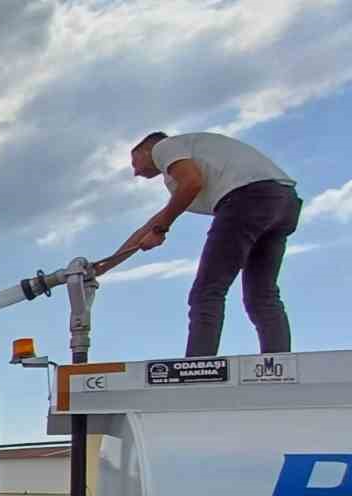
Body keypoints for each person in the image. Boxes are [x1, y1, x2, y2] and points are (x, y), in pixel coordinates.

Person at [119, 131, 301, 358]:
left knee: (206, 292)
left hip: (247, 198)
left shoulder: (164, 147)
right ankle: (279, 363)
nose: (135, 171)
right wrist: (102, 268)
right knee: (261, 295)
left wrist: (161, 229)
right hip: (283, 202)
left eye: (134, 162)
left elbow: (191, 183)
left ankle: (198, 367)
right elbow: (151, 224)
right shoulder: (199, 167)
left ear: (146, 149)